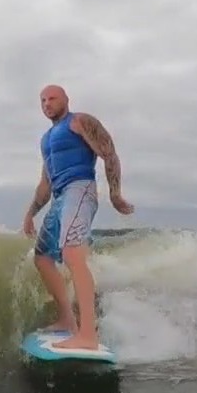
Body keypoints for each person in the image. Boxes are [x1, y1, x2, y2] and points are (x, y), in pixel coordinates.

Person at [22, 84, 134, 351]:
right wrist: (30, 214)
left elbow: (109, 153)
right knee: (43, 258)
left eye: (52, 98)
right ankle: (67, 320)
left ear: (66, 100)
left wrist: (115, 194)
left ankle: (88, 335)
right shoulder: (46, 139)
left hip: (80, 188)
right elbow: (45, 183)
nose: (47, 103)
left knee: (73, 255)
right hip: (60, 197)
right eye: (43, 100)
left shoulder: (80, 121)